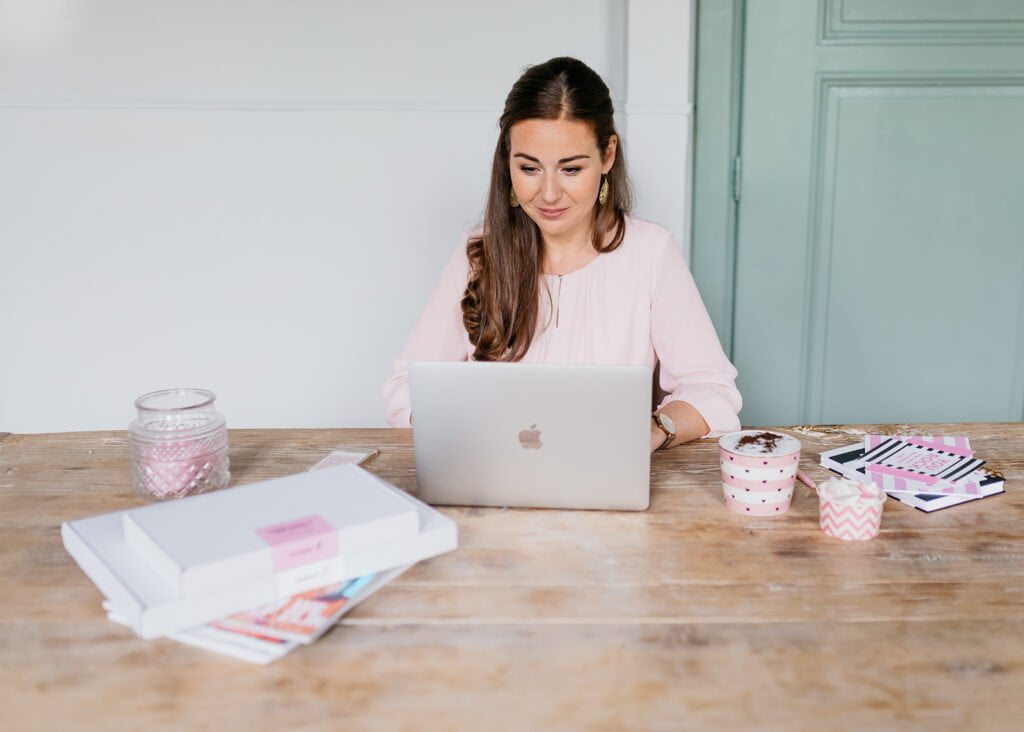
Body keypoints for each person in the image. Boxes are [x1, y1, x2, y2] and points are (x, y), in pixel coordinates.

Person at [383, 57, 741, 450]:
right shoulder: (477, 253)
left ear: (607, 156)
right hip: (492, 481)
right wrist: (469, 425)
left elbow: (712, 390)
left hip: (605, 484)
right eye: (529, 168)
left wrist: (655, 428)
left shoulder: (651, 253)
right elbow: (405, 388)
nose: (549, 194)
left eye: (570, 169)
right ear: (507, 161)